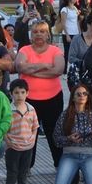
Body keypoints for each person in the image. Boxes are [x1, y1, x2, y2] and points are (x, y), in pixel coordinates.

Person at [15, 22, 65, 169]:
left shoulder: (55, 50)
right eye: (35, 31)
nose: (38, 34)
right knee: (28, 135)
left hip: (53, 99)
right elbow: (19, 66)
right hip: (28, 100)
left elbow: (58, 70)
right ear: (31, 34)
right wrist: (44, 65)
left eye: (42, 31)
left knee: (54, 133)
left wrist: (31, 70)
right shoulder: (25, 49)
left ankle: (59, 166)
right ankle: (26, 167)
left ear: (48, 34)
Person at [55, 83, 92, 184]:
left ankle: (87, 175)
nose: (82, 96)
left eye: (85, 94)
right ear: (73, 97)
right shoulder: (65, 115)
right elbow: (56, 139)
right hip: (70, 154)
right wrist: (69, 139)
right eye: (78, 94)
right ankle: (77, 174)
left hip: (90, 155)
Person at [5, 79, 39, 184]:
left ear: (27, 93)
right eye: (16, 92)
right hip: (13, 147)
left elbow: (35, 127)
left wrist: (32, 140)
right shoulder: (8, 109)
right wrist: (8, 141)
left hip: (27, 147)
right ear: (11, 94)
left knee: (23, 174)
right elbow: (4, 128)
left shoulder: (31, 109)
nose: (19, 95)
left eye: (22, 92)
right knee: (12, 173)